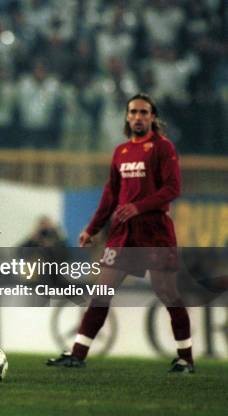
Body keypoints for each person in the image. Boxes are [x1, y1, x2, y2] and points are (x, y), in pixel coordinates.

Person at [47, 93, 194, 373]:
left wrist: (138, 207)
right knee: (101, 293)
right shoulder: (121, 152)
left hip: (155, 233)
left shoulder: (163, 147)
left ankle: (186, 357)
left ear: (153, 117)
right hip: (123, 234)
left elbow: (172, 189)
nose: (138, 117)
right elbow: (110, 195)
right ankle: (77, 354)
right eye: (133, 112)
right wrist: (92, 227)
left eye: (144, 112)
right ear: (127, 117)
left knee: (167, 293)